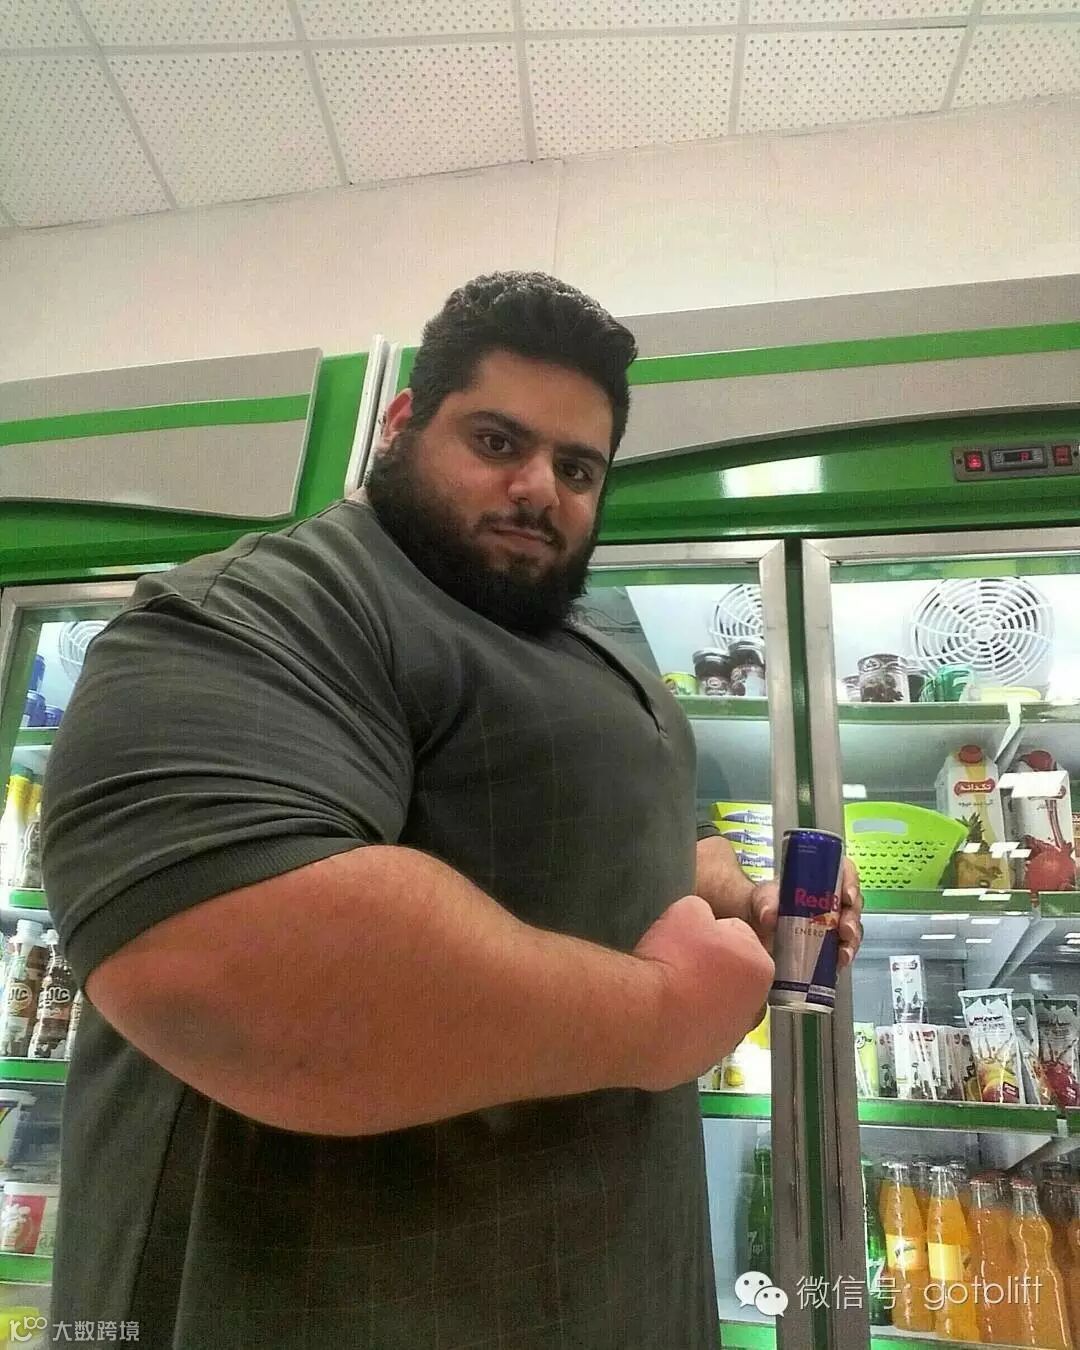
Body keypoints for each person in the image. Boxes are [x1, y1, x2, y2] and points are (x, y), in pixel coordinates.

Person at [41, 272, 863, 1350]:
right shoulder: (268, 606)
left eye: (577, 468)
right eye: (496, 442)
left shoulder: (596, 636)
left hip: (613, 1286)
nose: (538, 488)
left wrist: (745, 901)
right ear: (400, 424)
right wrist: (665, 1016)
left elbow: (665, 834)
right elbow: (219, 964)